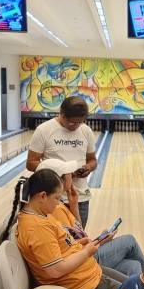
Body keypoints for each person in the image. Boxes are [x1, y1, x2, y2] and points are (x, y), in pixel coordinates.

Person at [16, 168, 125, 289]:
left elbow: (57, 248)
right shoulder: (37, 228)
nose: (58, 203)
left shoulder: (41, 216)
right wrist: (85, 252)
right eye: (56, 198)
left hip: (87, 276)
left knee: (139, 286)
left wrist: (80, 243)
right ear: (42, 196)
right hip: (83, 288)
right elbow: (55, 269)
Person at [37, 158, 144, 277]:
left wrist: (74, 206)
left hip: (85, 252)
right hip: (84, 260)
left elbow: (78, 235)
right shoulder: (54, 209)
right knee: (129, 241)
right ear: (58, 180)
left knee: (134, 265)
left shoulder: (60, 205)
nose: (72, 175)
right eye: (69, 173)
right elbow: (73, 248)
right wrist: (102, 241)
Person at [27, 96, 97, 226]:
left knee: (78, 241)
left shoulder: (86, 131)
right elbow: (31, 163)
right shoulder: (44, 130)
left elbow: (93, 160)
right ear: (62, 114)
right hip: (51, 199)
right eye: (72, 122)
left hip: (80, 197)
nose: (75, 126)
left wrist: (88, 167)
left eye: (79, 122)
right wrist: (61, 172)